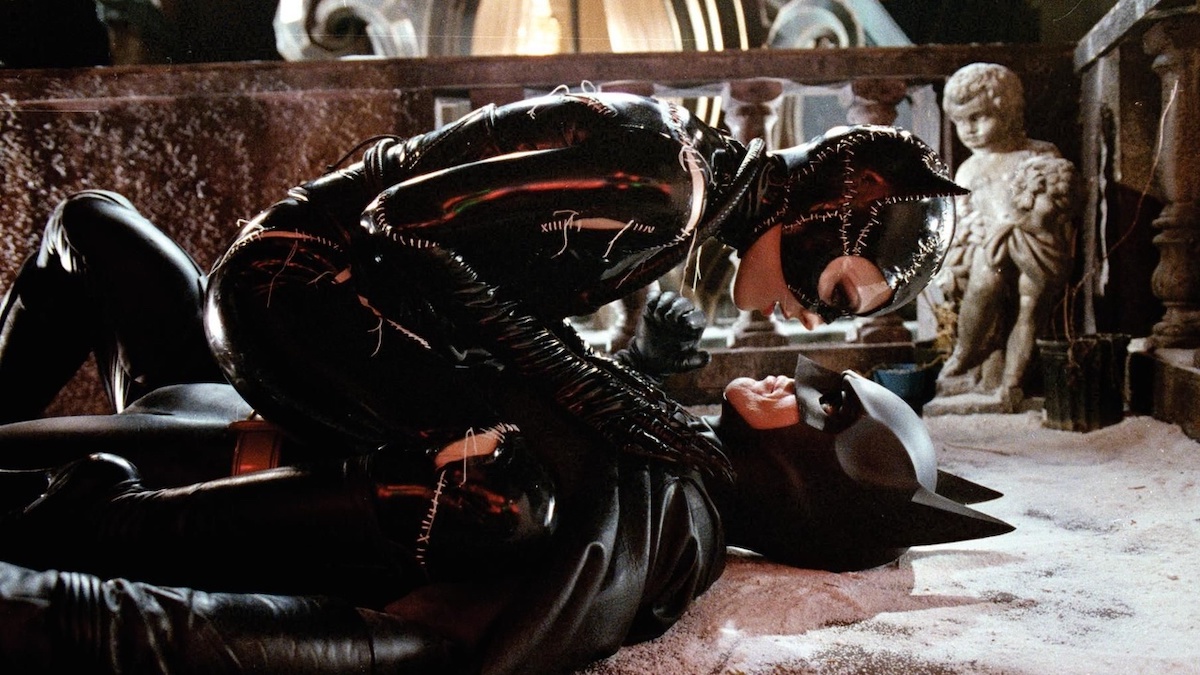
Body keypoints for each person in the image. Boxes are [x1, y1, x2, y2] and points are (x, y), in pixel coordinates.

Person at [934, 63, 1075, 406]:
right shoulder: (969, 169)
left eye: (978, 117)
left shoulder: (1039, 154)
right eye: (960, 121)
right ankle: (966, 354)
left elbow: (1062, 201)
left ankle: (1013, 382)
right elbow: (963, 220)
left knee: (1030, 307)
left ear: (1008, 110)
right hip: (989, 249)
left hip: (1036, 247)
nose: (969, 129)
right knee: (986, 281)